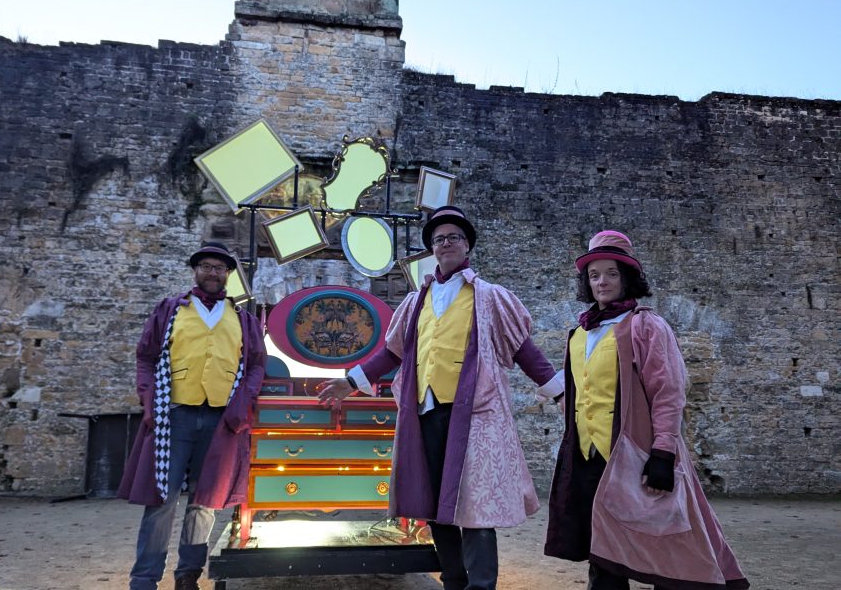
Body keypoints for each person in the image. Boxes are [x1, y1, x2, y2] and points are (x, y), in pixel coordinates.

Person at [317, 206, 563, 590]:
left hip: (476, 415)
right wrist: (349, 382)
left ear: (467, 246)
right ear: (432, 249)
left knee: (476, 507)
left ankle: (480, 585)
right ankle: (453, 580)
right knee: (434, 503)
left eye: (453, 237)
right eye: (439, 239)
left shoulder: (489, 297)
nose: (445, 243)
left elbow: (523, 349)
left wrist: (559, 391)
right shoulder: (416, 301)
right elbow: (392, 353)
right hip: (425, 413)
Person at [544, 231, 749, 590]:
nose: (602, 282)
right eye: (594, 275)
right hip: (590, 456)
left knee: (664, 545)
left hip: (638, 454)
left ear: (627, 278)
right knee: (603, 551)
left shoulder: (646, 325)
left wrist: (662, 454)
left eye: (611, 273)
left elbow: (668, 392)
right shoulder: (578, 333)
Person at [118, 242, 266, 590]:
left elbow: (256, 365)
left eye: (220, 267)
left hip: (221, 419)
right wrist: (149, 398)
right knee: (162, 499)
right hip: (175, 414)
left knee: (206, 499)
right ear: (195, 271)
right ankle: (144, 578)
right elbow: (146, 357)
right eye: (206, 266)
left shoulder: (243, 318)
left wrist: (243, 402)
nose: (213, 272)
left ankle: (188, 574)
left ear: (229, 274)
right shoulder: (170, 310)